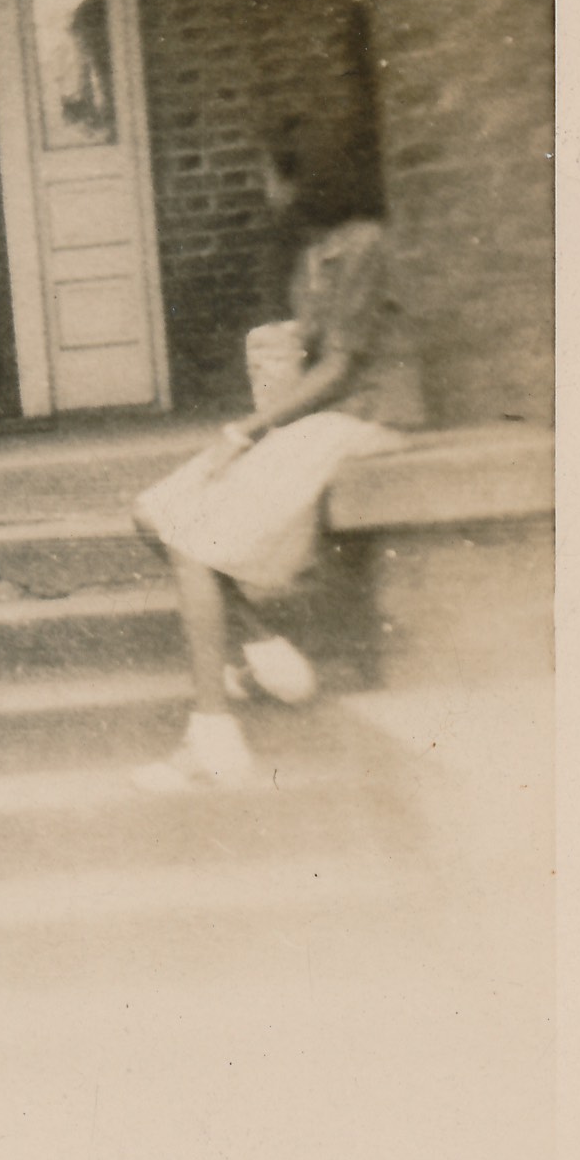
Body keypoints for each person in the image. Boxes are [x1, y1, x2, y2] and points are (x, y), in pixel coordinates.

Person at [130, 134, 426, 793]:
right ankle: (266, 648)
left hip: (369, 420)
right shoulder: (314, 256)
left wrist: (250, 428)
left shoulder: (367, 245)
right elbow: (311, 359)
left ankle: (213, 737)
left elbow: (343, 367)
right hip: (324, 421)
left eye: (272, 178)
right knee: (153, 512)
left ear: (307, 181)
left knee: (192, 539)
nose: (268, 194)